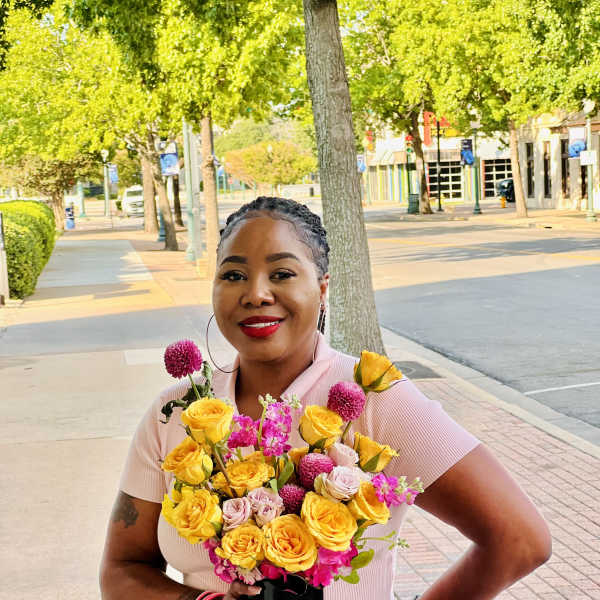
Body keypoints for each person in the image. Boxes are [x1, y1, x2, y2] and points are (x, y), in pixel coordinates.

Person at [100, 197, 551, 600]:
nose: (256, 294)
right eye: (234, 275)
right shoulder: (178, 412)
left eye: (282, 274)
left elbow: (520, 541)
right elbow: (122, 570)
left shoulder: (374, 400)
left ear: (322, 288)